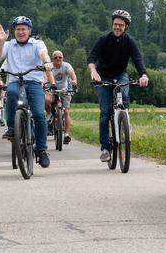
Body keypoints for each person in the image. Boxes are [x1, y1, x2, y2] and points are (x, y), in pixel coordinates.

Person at [87, 10, 149, 162]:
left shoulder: (129, 42)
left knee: (124, 96)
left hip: (120, 75)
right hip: (102, 77)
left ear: (126, 27)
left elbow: (137, 59)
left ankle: (124, 121)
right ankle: (105, 148)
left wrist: (143, 74)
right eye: (115, 24)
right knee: (105, 111)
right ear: (112, 24)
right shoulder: (103, 40)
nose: (117, 27)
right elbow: (92, 57)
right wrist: (93, 71)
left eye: (121, 25)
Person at [0, 16, 54, 168]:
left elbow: (43, 54)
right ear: (14, 31)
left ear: (29, 31)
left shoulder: (37, 44)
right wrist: (1, 42)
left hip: (33, 82)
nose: (21, 32)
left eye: (24, 29)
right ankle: (12, 128)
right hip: (15, 81)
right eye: (18, 29)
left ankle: (41, 150)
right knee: (12, 93)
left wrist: (46, 62)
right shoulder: (9, 45)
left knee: (39, 115)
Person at [44, 51, 77, 144]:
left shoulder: (66, 66)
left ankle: (66, 134)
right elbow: (45, 77)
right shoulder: (49, 66)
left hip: (64, 91)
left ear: (63, 58)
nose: (58, 59)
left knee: (66, 111)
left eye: (60, 57)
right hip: (52, 90)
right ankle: (50, 114)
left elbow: (72, 74)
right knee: (46, 100)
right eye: (56, 57)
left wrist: (74, 81)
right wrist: (44, 83)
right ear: (52, 59)